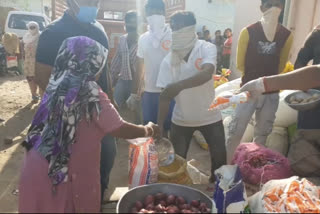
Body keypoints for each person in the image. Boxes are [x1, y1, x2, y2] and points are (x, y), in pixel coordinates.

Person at [19, 36, 159, 213]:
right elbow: (118, 128)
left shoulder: (56, 82)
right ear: (92, 64)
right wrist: (148, 130)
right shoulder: (89, 91)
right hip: (63, 175)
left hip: (35, 165)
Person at [34, 0, 117, 203]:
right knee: (69, 164)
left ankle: (97, 196)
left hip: (98, 109)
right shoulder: (52, 33)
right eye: (87, 1)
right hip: (66, 112)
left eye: (96, 1)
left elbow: (104, 72)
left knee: (107, 154)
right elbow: (42, 76)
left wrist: (112, 104)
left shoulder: (99, 29)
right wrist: (71, 106)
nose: (93, 5)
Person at [157, 11, 226, 182]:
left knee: (220, 163)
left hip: (210, 116)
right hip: (181, 120)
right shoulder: (169, 60)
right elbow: (165, 96)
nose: (175, 32)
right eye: (172, 28)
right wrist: (159, 127)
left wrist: (178, 86)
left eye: (179, 27)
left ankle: (216, 193)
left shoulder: (206, 48)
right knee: (177, 164)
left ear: (190, 28)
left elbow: (207, 73)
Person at [225, 0, 293, 163]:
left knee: (261, 134)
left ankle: (251, 165)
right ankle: (227, 164)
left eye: (276, 4)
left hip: (268, 91)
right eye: (269, 4)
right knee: (236, 130)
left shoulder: (286, 35)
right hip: (251, 90)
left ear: (281, 8)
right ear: (261, 7)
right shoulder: (248, 31)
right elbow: (241, 63)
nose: (273, 8)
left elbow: (281, 65)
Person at [127, 0, 174, 133]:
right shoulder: (143, 38)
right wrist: (133, 92)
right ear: (146, 15)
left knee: (169, 128)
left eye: (157, 12)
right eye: (150, 13)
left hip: (170, 91)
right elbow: (140, 66)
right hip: (149, 92)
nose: (154, 16)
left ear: (164, 14)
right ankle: (152, 153)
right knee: (150, 128)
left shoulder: (174, 35)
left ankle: (168, 153)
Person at [110, 11, 142, 123]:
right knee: (112, 107)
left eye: (134, 22)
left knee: (138, 113)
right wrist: (111, 79)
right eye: (128, 23)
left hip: (137, 84)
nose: (131, 25)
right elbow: (116, 60)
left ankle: (140, 135)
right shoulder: (123, 39)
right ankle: (115, 133)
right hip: (123, 80)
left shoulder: (143, 41)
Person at [23, 22, 40, 102]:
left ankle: (39, 94)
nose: (32, 29)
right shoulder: (26, 37)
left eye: (34, 27)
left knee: (39, 78)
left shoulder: (40, 36)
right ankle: (33, 94)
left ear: (37, 27)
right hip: (28, 62)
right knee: (30, 78)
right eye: (31, 27)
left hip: (38, 62)